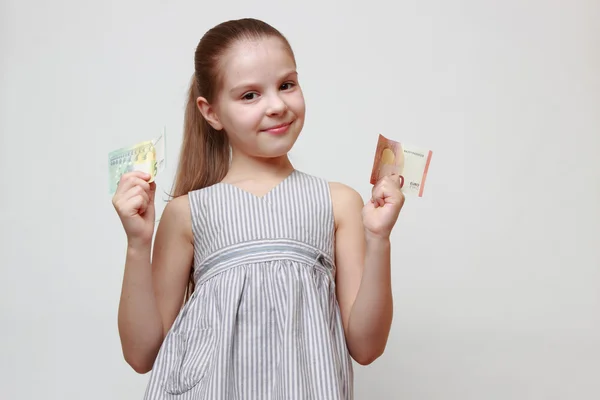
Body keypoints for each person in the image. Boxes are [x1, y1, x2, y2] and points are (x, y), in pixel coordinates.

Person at [111, 17, 404, 400]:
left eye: (286, 85)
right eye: (249, 95)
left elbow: (367, 348)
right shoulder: (187, 212)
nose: (277, 105)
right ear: (211, 112)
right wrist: (137, 244)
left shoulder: (338, 202)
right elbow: (141, 354)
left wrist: (378, 238)